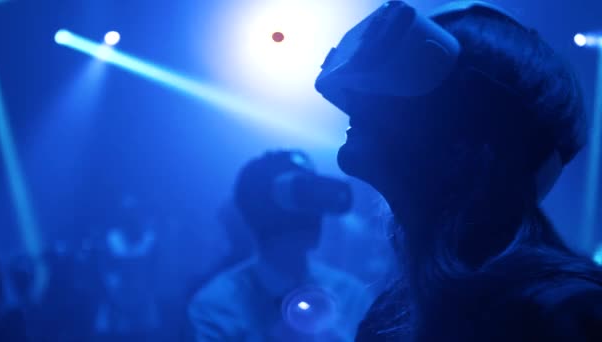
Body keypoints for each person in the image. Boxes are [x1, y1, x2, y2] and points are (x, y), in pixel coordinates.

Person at [315, 1, 602, 341]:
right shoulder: (392, 315)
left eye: (406, 68)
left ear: (472, 123)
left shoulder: (569, 313)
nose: (356, 93)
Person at [188, 150, 373, 341]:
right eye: (302, 199)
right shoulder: (218, 306)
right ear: (260, 211)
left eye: (315, 201)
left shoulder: (351, 296)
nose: (315, 215)